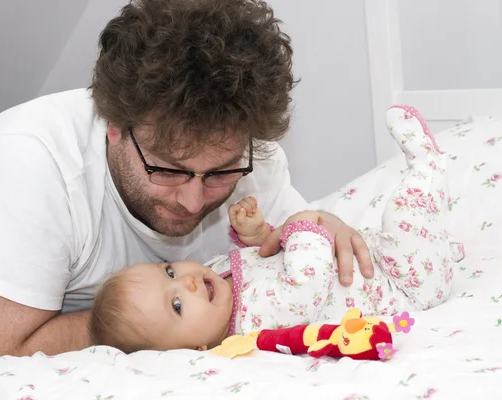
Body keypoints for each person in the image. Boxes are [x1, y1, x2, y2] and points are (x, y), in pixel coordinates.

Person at [0, 0, 373, 356]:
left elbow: (286, 255)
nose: (191, 201)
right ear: (113, 125)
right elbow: (3, 347)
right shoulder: (28, 161)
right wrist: (144, 324)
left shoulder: (254, 159)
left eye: (219, 173)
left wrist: (318, 228)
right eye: (167, 168)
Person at [89, 105, 464, 353]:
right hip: (408, 284)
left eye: (169, 271)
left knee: (387, 230)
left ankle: (442, 245)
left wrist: (256, 234)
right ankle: (428, 167)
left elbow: (268, 257)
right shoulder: (254, 319)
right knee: (402, 216)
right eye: (176, 305)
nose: (185, 282)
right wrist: (300, 227)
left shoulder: (220, 282)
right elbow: (307, 282)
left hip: (376, 261)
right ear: (194, 351)